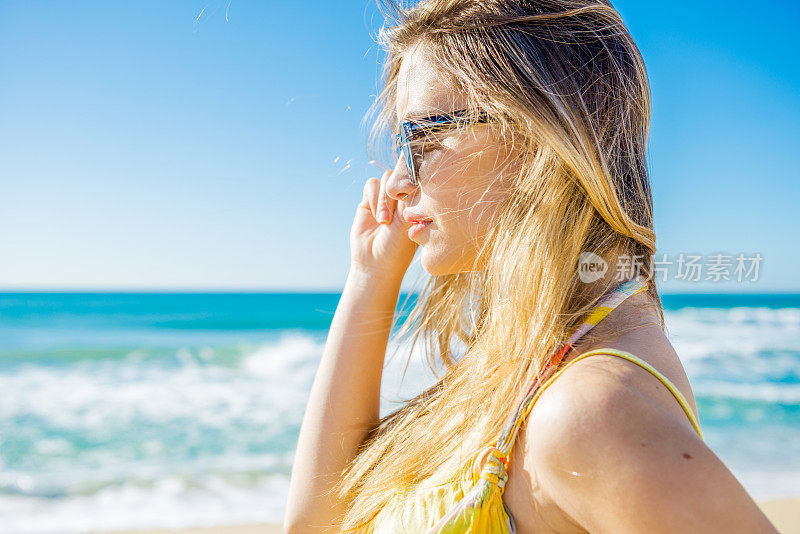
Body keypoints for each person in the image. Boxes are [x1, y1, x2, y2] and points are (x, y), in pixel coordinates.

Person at [285, 0, 779, 532]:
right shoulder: (528, 358)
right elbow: (319, 523)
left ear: (538, 135)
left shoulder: (590, 411)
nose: (399, 180)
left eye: (423, 136)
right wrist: (369, 280)